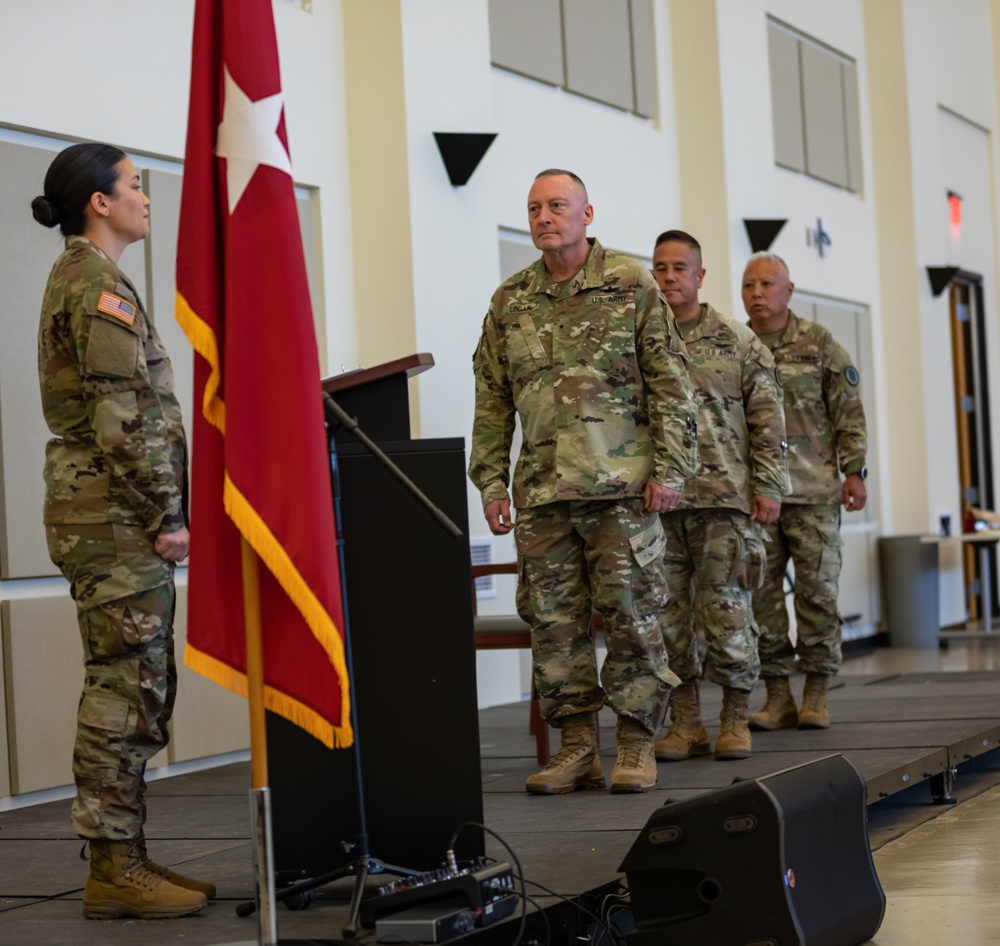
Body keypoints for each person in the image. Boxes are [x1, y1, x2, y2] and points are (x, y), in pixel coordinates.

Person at [469, 170, 698, 794]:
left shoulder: (630, 285)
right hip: (542, 495)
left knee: (631, 619)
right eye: (535, 207)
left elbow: (672, 384)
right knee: (553, 625)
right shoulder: (509, 300)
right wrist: (490, 482)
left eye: (558, 205)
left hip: (622, 491)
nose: (545, 216)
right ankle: (575, 748)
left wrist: (671, 470)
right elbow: (492, 400)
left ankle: (634, 744)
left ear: (587, 213)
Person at [33, 143, 211, 919]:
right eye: (134, 186)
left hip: (108, 514)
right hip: (112, 517)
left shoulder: (92, 276)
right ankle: (113, 868)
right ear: (99, 202)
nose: (145, 197)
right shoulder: (95, 282)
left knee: (135, 685)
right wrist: (165, 517)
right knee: (123, 691)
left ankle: (124, 856)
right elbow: (121, 418)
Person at [650, 231, 788, 762]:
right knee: (667, 620)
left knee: (728, 612)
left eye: (680, 268)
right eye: (660, 268)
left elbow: (768, 419)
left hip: (724, 501)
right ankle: (687, 724)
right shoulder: (643, 341)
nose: (669, 277)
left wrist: (770, 486)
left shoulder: (737, 340)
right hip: (660, 506)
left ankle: (735, 717)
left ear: (700, 275)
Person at [741, 251, 868, 730]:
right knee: (763, 601)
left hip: (814, 494)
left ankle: (816, 694)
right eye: (749, 285)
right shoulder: (736, 344)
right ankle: (778, 697)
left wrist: (855, 471)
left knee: (817, 596)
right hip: (758, 498)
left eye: (767, 284)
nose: (757, 293)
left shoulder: (818, 344)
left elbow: (848, 412)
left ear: (788, 291)